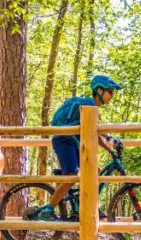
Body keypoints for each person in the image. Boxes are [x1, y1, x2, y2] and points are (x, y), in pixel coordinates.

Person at [33, 74, 123, 220]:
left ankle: (84, 205)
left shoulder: (93, 108)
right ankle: (48, 209)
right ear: (99, 90)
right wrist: (110, 138)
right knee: (71, 176)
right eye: (110, 92)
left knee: (94, 170)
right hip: (64, 141)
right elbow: (98, 130)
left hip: (73, 141)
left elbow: (93, 132)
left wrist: (109, 149)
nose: (112, 96)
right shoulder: (89, 103)